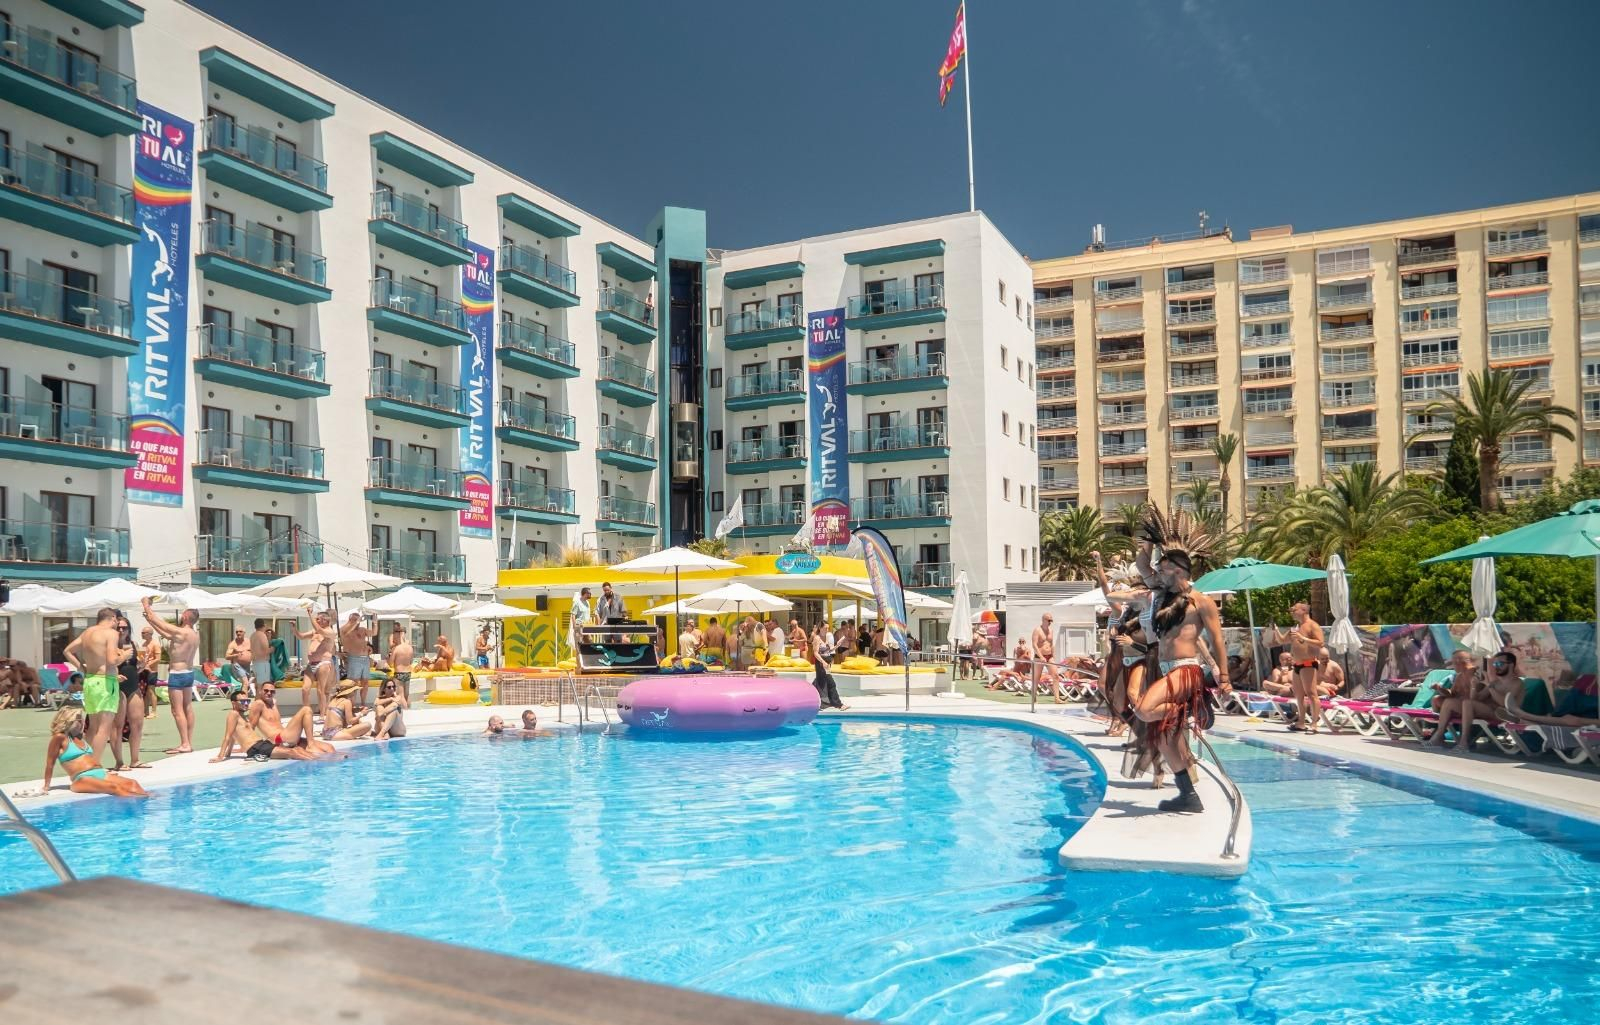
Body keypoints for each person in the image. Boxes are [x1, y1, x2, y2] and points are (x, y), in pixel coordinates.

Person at [1130, 541, 1232, 813]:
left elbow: (1218, 641)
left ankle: (1184, 712)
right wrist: (1149, 545)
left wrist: (1224, 678)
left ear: (1178, 570)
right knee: (1164, 739)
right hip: (1166, 670)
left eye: (1163, 570)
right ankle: (1188, 795)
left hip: (1186, 669)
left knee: (1143, 708)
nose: (1159, 575)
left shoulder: (1202, 601)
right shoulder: (1164, 596)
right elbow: (1142, 566)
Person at [32, 706, 149, 798]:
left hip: (100, 773)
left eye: (81, 719)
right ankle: (136, 804)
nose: (82, 722)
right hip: (81, 778)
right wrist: (46, 786)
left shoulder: (80, 737)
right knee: (114, 788)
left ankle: (147, 801)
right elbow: (50, 764)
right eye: (78, 720)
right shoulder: (60, 738)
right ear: (69, 721)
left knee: (133, 783)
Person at [63, 607, 128, 763]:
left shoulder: (88, 633)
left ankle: (85, 763)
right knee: (104, 729)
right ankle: (93, 766)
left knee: (93, 727)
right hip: (105, 682)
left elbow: (67, 651)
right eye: (117, 620)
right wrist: (125, 655)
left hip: (90, 681)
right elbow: (112, 660)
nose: (117, 624)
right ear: (112, 618)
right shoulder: (111, 634)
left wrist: (81, 667)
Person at [1432, 648, 1519, 751]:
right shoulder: (1461, 676)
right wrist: (1440, 689)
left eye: (1499, 665)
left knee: (1462, 703)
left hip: (1491, 710)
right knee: (1440, 700)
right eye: (1495, 665)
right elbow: (1462, 695)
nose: (1453, 664)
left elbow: (1497, 702)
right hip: (1471, 706)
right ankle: (1439, 734)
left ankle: (1459, 740)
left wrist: (1481, 686)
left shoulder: (1478, 674)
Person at [1268, 603, 1326, 733]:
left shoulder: (1313, 625)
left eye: (1294, 610)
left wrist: (1303, 638)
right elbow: (1282, 640)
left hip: (1308, 664)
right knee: (1299, 695)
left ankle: (1315, 724)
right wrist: (1275, 630)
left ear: (1304, 610)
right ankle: (1301, 722)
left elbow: (1320, 642)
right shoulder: (1295, 628)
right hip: (1297, 666)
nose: (1291, 612)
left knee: (1311, 694)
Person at [211, 690, 315, 762]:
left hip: (262, 744)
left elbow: (234, 735)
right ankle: (317, 764)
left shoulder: (242, 716)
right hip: (256, 748)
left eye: (247, 701)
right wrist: (221, 756)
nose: (246, 704)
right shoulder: (233, 714)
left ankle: (318, 761)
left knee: (298, 750)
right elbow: (228, 736)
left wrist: (228, 753)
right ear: (234, 703)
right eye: (242, 701)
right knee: (292, 752)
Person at [108, 613, 150, 772]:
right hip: (118, 687)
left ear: (129, 629)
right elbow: (106, 665)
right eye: (118, 627)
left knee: (137, 724)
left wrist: (142, 664)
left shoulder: (133, 644)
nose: (121, 630)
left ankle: (135, 760)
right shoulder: (110, 646)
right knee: (117, 726)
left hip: (133, 684)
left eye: (124, 627)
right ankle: (119, 762)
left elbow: (137, 668)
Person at [247, 681, 334, 756]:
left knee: (329, 747)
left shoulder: (273, 703)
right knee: (306, 709)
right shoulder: (258, 704)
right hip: (278, 740)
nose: (269, 693)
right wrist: (248, 745)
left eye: (272, 692)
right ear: (260, 691)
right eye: (266, 690)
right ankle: (311, 744)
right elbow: (251, 726)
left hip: (289, 738)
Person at [292, 610, 337, 716]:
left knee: (320, 690)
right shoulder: (314, 632)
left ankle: (322, 715)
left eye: (318, 619)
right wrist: (294, 628)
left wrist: (309, 615)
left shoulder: (330, 632)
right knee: (305, 689)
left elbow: (319, 629)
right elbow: (301, 636)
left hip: (323, 662)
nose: (316, 621)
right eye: (315, 619)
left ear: (325, 620)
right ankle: (306, 713)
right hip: (311, 663)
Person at [810, 623, 847, 710]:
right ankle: (838, 704)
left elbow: (828, 651)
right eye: (825, 628)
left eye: (828, 628)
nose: (827, 630)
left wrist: (837, 646)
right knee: (829, 683)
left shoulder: (826, 638)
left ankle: (815, 701)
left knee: (820, 682)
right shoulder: (817, 638)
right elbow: (815, 653)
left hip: (826, 663)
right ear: (820, 628)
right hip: (820, 663)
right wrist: (823, 662)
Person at [341, 612, 374, 707]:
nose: (358, 622)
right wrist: (355, 623)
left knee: (365, 682)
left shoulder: (362, 630)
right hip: (354, 658)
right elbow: (345, 633)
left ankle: (363, 703)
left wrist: (375, 622)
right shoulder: (345, 629)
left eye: (359, 620)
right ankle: (352, 705)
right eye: (355, 620)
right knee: (353, 682)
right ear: (350, 620)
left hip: (365, 659)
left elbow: (374, 633)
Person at [138, 629, 162, 718]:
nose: (142, 634)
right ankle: (146, 711)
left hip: (152, 671)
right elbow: (141, 657)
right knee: (144, 691)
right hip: (143, 670)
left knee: (151, 691)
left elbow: (158, 659)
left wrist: (147, 665)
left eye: (143, 633)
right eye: (142, 632)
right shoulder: (143, 645)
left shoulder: (155, 644)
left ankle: (154, 712)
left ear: (150, 634)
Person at [388, 625, 414, 708]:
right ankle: (410, 711)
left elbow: (391, 664)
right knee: (407, 695)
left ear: (396, 635)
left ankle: (406, 714)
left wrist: (388, 658)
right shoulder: (410, 648)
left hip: (399, 673)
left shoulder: (396, 649)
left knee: (401, 696)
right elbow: (411, 661)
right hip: (408, 673)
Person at [249, 619, 273, 692]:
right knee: (263, 686)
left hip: (255, 663)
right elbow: (266, 650)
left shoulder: (253, 635)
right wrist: (273, 648)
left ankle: (257, 701)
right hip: (263, 663)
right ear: (264, 625)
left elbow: (257, 648)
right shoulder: (262, 635)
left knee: (258, 687)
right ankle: (260, 702)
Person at [570, 586, 595, 655]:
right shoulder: (577, 602)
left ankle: (588, 661)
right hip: (579, 626)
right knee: (579, 646)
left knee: (590, 642)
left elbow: (588, 615)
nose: (590, 595)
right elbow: (573, 614)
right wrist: (574, 626)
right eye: (589, 593)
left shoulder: (587, 603)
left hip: (586, 627)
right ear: (584, 594)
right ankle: (579, 665)